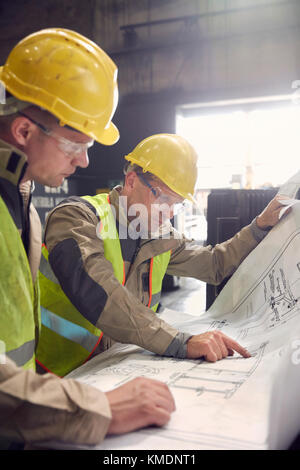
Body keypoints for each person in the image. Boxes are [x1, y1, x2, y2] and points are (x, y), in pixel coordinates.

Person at [0, 28, 175, 450]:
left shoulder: (22, 208)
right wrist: (96, 407)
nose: (85, 160)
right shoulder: (69, 214)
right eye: (73, 145)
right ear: (24, 132)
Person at [37, 133, 288, 378]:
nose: (168, 212)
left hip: (109, 372)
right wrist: (179, 342)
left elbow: (214, 264)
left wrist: (260, 226)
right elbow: (98, 293)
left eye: (176, 203)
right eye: (163, 197)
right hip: (54, 375)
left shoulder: (160, 237)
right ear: (132, 181)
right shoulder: (76, 218)